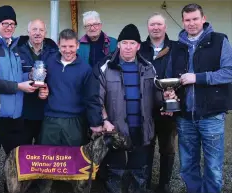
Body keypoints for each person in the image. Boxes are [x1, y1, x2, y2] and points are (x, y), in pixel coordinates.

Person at [98, 24, 173, 193]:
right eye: (124, 42)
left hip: (141, 130)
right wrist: (104, 120)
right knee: (115, 174)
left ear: (138, 46)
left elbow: (156, 97)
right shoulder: (106, 68)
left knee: (139, 174)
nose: (128, 47)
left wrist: (166, 100)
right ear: (118, 44)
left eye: (132, 43)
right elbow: (98, 99)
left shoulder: (148, 68)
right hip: (116, 131)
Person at [170, 3, 232, 193]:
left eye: (195, 19)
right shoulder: (177, 46)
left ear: (203, 19)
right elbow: (172, 75)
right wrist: (171, 91)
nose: (191, 23)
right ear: (182, 21)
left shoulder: (220, 41)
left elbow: (229, 72)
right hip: (185, 116)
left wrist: (198, 77)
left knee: (213, 167)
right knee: (187, 165)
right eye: (187, 20)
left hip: (211, 115)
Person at [0, 5, 38, 163]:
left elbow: (16, 76)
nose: (9, 27)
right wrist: (18, 87)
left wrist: (30, 76)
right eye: (4, 23)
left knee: (15, 163)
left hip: (15, 117)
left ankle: (11, 188)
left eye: (12, 24)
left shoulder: (14, 47)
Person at [38, 28, 103, 146]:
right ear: (58, 45)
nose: (67, 50)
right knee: (49, 160)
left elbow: (92, 98)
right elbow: (41, 84)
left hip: (75, 121)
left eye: (71, 46)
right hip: (50, 119)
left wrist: (96, 123)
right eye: (64, 46)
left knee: (73, 161)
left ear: (78, 45)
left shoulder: (86, 69)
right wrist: (41, 91)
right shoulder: (49, 62)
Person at [140, 13, 177, 193]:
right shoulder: (140, 48)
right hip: (145, 107)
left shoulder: (176, 48)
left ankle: (164, 184)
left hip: (168, 108)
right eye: (152, 24)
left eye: (159, 24)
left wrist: (173, 99)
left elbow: (180, 74)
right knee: (146, 145)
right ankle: (144, 183)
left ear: (165, 27)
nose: (156, 27)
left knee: (167, 147)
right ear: (148, 27)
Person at [17, 19, 58, 144]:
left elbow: (57, 77)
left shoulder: (54, 52)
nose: (37, 33)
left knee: (43, 154)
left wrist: (47, 88)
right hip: (24, 110)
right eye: (34, 29)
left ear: (45, 33)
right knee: (24, 152)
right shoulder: (17, 51)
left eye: (41, 30)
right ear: (28, 32)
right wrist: (28, 76)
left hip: (45, 110)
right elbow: (12, 76)